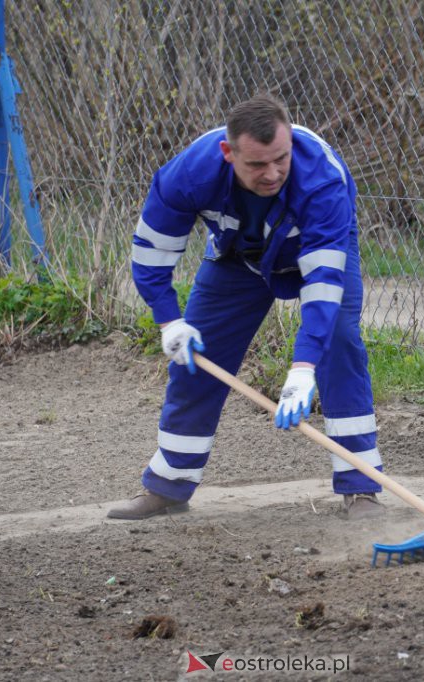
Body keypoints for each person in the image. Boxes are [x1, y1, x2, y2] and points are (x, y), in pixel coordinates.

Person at [108, 94, 385, 521]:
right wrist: (169, 321)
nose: (272, 173)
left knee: (339, 343)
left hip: (316, 253)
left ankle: (361, 488)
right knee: (196, 358)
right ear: (228, 152)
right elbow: (152, 253)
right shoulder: (189, 174)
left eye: (281, 159)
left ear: (291, 141)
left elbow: (324, 284)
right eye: (257, 165)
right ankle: (169, 487)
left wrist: (303, 368)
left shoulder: (322, 180)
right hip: (239, 258)